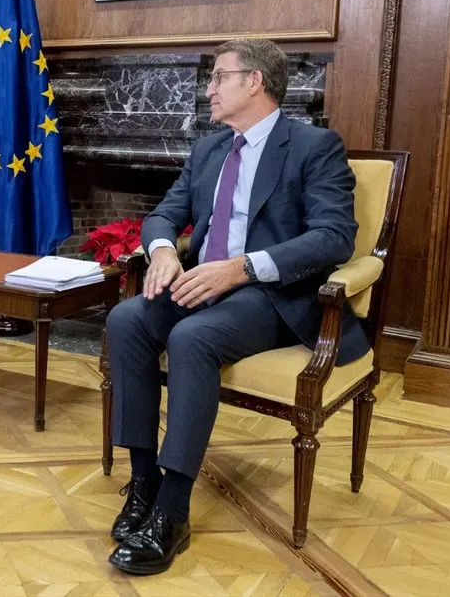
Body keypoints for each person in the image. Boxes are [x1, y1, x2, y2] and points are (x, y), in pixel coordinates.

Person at [105, 38, 367, 575]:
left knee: (191, 337)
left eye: (220, 77)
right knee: (127, 318)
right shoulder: (208, 150)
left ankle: (173, 513)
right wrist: (160, 253)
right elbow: (164, 214)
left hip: (270, 295)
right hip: (202, 283)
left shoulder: (315, 147)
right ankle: (144, 484)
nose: (209, 89)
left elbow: (335, 237)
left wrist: (244, 266)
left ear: (255, 82)